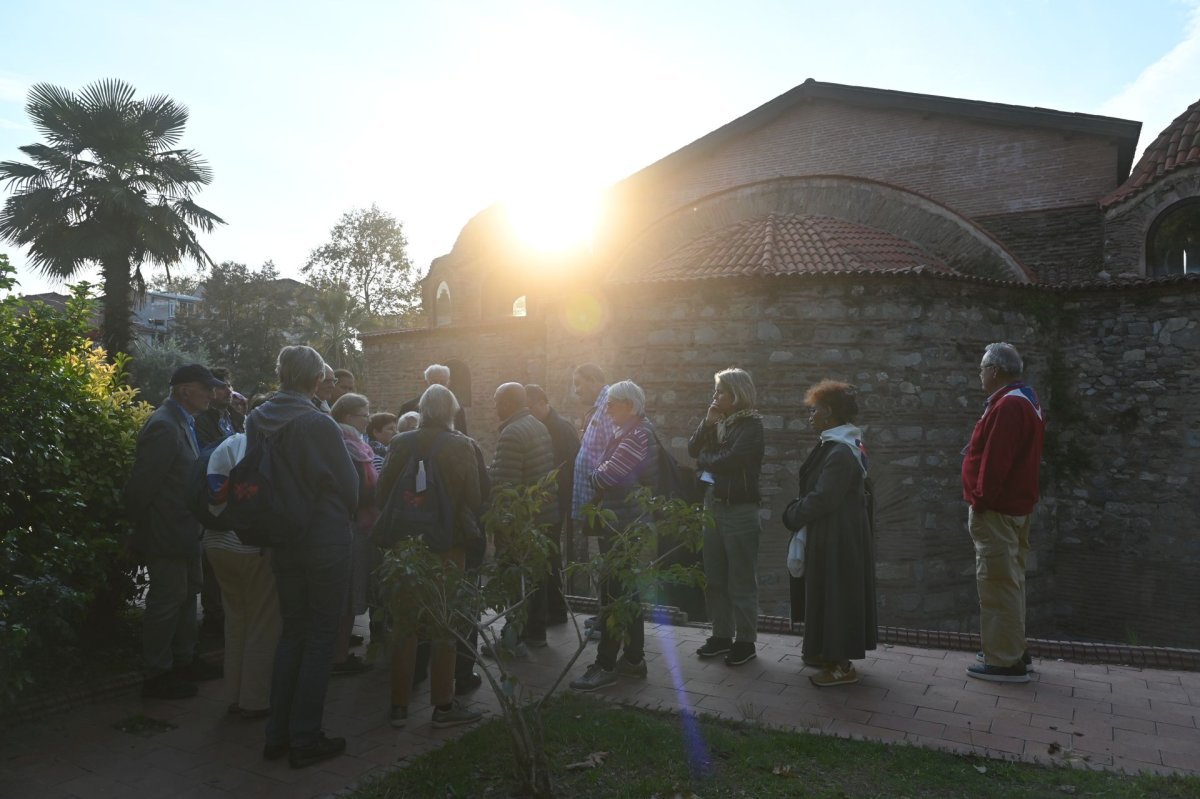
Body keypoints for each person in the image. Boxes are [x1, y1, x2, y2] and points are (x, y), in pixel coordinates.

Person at [250, 345, 358, 769]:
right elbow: (349, 485)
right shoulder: (318, 422)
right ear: (316, 381)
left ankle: (276, 734)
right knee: (319, 636)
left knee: (292, 632)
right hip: (323, 538)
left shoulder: (257, 417)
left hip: (281, 537)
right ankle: (305, 738)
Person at [378, 384, 484, 729]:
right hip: (448, 545)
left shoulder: (399, 442)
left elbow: (382, 495)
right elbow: (475, 498)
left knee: (405, 624)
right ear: (452, 411)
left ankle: (397, 704)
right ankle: (443, 705)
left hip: (405, 547)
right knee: (444, 623)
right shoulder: (463, 446)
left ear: (422, 409)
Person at [123, 363, 227, 700]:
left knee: (187, 596)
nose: (213, 394)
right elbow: (143, 487)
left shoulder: (183, 421)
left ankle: (184, 661)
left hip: (186, 529)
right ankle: (157, 674)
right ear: (185, 390)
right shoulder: (165, 426)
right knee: (166, 602)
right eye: (206, 387)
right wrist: (144, 531)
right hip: (167, 532)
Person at [782, 380, 877, 688]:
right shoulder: (841, 444)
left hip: (837, 537)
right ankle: (825, 653)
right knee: (826, 595)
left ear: (831, 412)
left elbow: (825, 497)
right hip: (833, 533)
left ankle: (841, 665)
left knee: (836, 597)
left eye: (816, 410)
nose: (811, 415)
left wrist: (793, 515)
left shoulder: (841, 451)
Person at [962, 342, 1045, 684]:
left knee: (997, 583)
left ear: (994, 371)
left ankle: (1005, 661)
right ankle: (1012, 648)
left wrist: (981, 501)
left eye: (982, 368)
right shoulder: (1024, 399)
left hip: (996, 510)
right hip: (1013, 507)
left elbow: (997, 460)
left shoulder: (1009, 406)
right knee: (1010, 581)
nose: (980, 374)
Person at [569, 380, 657, 692]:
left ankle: (605, 665)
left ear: (629, 406)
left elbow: (606, 474)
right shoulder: (632, 431)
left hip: (623, 524)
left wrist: (595, 474)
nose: (607, 409)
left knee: (613, 593)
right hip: (625, 522)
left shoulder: (635, 435)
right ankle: (633, 660)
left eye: (612, 404)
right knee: (626, 591)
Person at [203, 392, 281, 719]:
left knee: (236, 620)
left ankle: (232, 694)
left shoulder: (228, 444)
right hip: (251, 546)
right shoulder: (269, 450)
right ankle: (255, 700)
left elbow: (212, 490)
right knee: (263, 623)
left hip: (216, 542)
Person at [688, 368, 765, 667]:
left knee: (741, 580)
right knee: (715, 577)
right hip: (713, 507)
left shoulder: (751, 426)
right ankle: (721, 635)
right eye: (716, 391)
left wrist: (706, 462)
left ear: (737, 394)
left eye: (721, 391)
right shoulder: (717, 423)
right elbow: (693, 449)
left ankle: (745, 641)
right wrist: (706, 423)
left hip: (739, 510)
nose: (716, 396)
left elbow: (730, 461)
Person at [329, 392, 378, 677]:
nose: (368, 419)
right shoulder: (345, 446)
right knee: (346, 593)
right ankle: (337, 656)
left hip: (356, 524)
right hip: (350, 526)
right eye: (364, 414)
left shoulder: (356, 444)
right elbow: (355, 488)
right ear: (347, 417)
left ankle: (339, 649)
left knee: (349, 592)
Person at [526, 383, 581, 623]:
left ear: (542, 402)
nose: (528, 413)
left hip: (555, 502)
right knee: (548, 555)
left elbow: (572, 467)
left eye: (530, 407)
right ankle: (554, 610)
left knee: (549, 556)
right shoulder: (543, 426)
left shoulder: (561, 429)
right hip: (547, 501)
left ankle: (556, 610)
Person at [570, 363, 617, 636]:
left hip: (603, 502)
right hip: (597, 500)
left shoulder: (608, 405)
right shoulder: (599, 408)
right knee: (604, 560)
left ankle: (608, 621)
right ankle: (603, 614)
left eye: (579, 383)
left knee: (608, 562)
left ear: (594, 380)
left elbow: (612, 452)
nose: (576, 390)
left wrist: (600, 494)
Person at [400, 363, 468, 435]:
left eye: (442, 382)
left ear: (448, 383)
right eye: (434, 382)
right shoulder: (409, 407)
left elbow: (463, 435)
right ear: (426, 383)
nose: (438, 385)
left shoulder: (457, 409)